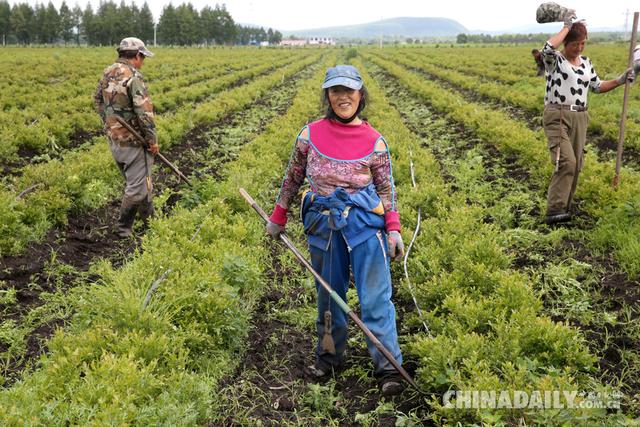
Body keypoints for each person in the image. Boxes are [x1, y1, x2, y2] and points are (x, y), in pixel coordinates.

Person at [265, 65, 405, 396]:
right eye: (335, 91)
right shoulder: (309, 135)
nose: (343, 97)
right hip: (325, 224)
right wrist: (278, 215)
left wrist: (393, 229)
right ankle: (329, 357)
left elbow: (386, 191)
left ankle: (388, 367)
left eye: (349, 90)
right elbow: (293, 176)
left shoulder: (375, 142)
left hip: (365, 227)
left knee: (376, 298)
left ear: (361, 95)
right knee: (330, 296)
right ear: (327, 96)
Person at [540, 16, 633, 225]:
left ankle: (565, 209)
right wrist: (566, 26)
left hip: (580, 116)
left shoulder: (586, 63)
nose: (579, 48)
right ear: (566, 42)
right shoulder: (554, 60)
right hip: (558, 115)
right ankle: (554, 210)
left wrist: (620, 80)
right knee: (566, 162)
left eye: (583, 43)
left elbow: (597, 86)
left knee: (577, 164)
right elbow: (547, 47)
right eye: (575, 44)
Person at [93, 37, 158, 238]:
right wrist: (152, 140)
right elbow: (144, 112)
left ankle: (152, 223)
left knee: (141, 182)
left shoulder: (108, 72)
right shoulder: (134, 76)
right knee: (137, 188)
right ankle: (123, 229)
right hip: (134, 142)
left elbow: (97, 100)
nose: (143, 61)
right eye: (143, 57)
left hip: (115, 139)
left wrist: (109, 122)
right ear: (137, 55)